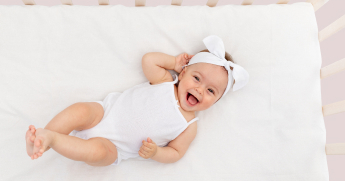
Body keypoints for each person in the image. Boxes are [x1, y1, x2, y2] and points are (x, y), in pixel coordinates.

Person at [25, 35, 249, 166]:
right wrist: (173, 62)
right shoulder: (165, 82)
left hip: (116, 148)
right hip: (105, 114)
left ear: (216, 101)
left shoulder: (189, 126)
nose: (200, 90)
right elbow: (149, 60)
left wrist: (156, 153)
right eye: (196, 78)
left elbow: (177, 153)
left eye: (211, 91)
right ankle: (44, 137)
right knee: (81, 111)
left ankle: (52, 140)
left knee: (98, 153)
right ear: (183, 73)